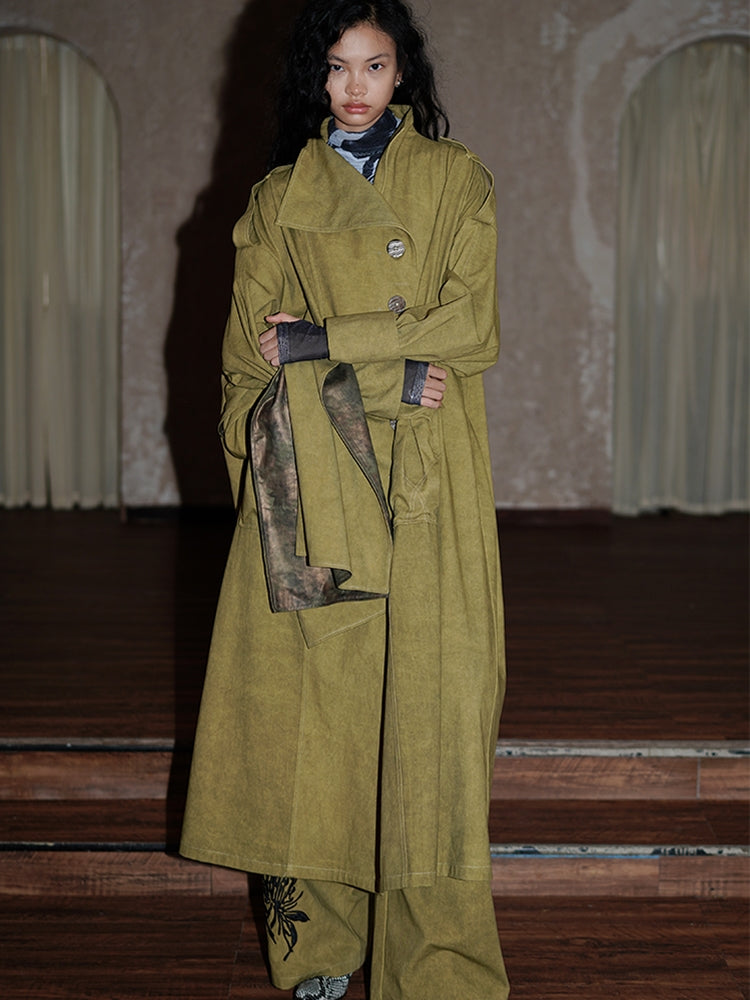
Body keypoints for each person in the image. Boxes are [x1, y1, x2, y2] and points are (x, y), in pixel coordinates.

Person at [180, 1, 508, 997]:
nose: (355, 87)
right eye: (336, 66)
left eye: (375, 64)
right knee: (314, 718)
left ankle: (437, 966)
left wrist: (325, 339)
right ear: (312, 79)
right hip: (313, 485)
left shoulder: (455, 180)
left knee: (434, 720)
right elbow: (250, 367)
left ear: (403, 72)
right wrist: (391, 375)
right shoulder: (280, 199)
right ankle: (318, 947)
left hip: (431, 484)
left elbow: (473, 329)